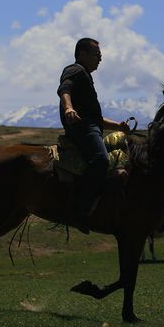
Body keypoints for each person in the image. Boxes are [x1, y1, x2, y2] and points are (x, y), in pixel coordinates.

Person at [57, 37, 130, 233]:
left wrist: (119, 126)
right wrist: (68, 109)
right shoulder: (75, 70)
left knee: (123, 147)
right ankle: (79, 209)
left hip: (91, 128)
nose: (100, 59)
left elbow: (96, 119)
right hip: (81, 129)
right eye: (97, 55)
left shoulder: (86, 76)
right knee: (100, 160)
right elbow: (64, 89)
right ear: (82, 54)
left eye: (101, 55)